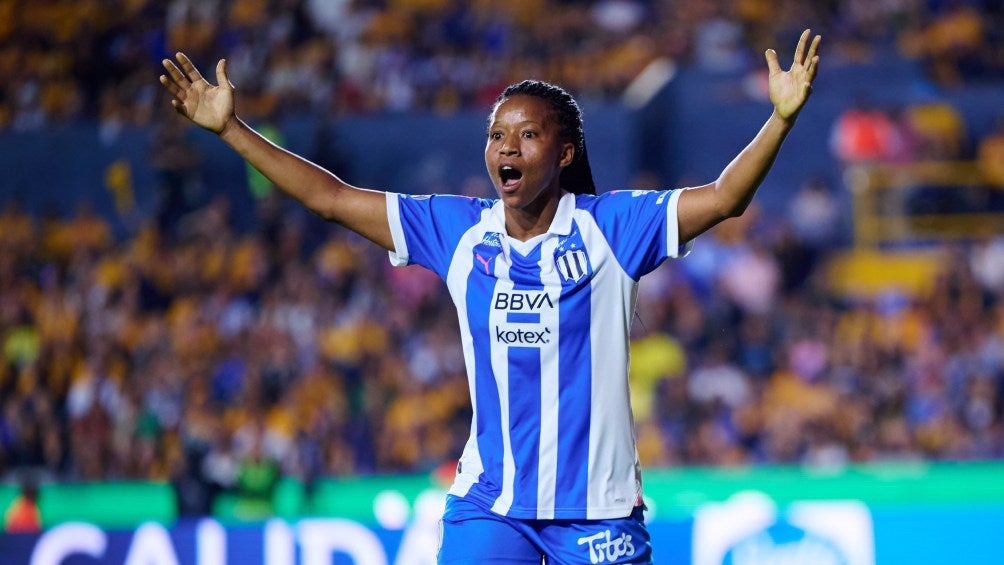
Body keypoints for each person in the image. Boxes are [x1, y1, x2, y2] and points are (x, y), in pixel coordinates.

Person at [159, 28, 821, 564]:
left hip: (597, 511)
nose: (507, 147)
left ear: (565, 153)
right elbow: (332, 199)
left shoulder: (615, 227)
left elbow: (726, 198)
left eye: (528, 134)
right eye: (497, 135)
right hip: (490, 506)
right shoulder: (458, 231)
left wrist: (779, 118)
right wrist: (231, 129)